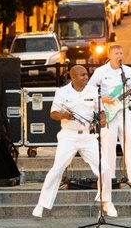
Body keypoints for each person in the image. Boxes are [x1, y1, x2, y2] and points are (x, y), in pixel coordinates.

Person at [89, 44, 131, 216]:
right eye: (116, 53)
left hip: (124, 111)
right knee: (108, 151)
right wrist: (102, 98)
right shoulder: (101, 71)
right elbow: (89, 90)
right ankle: (106, 189)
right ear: (109, 54)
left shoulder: (127, 71)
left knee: (130, 142)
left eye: (121, 53)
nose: (119, 55)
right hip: (107, 114)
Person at [33, 66, 102, 218]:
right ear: (74, 78)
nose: (86, 77)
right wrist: (64, 115)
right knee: (57, 169)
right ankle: (41, 204)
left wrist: (102, 119)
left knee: (104, 169)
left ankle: (106, 201)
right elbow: (53, 113)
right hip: (69, 135)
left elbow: (100, 111)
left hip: (88, 136)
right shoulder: (62, 92)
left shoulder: (93, 91)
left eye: (87, 74)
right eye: (82, 75)